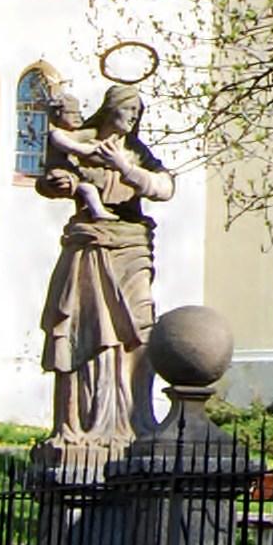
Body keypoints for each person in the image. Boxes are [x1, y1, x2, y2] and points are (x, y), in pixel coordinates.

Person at [36, 81, 174, 447]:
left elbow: (164, 188)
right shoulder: (83, 140)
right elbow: (50, 175)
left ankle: (133, 419)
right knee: (85, 328)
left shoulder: (136, 151)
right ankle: (81, 422)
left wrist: (126, 168)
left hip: (132, 245)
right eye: (128, 110)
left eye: (138, 113)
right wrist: (58, 182)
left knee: (139, 329)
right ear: (111, 110)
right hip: (91, 244)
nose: (133, 118)